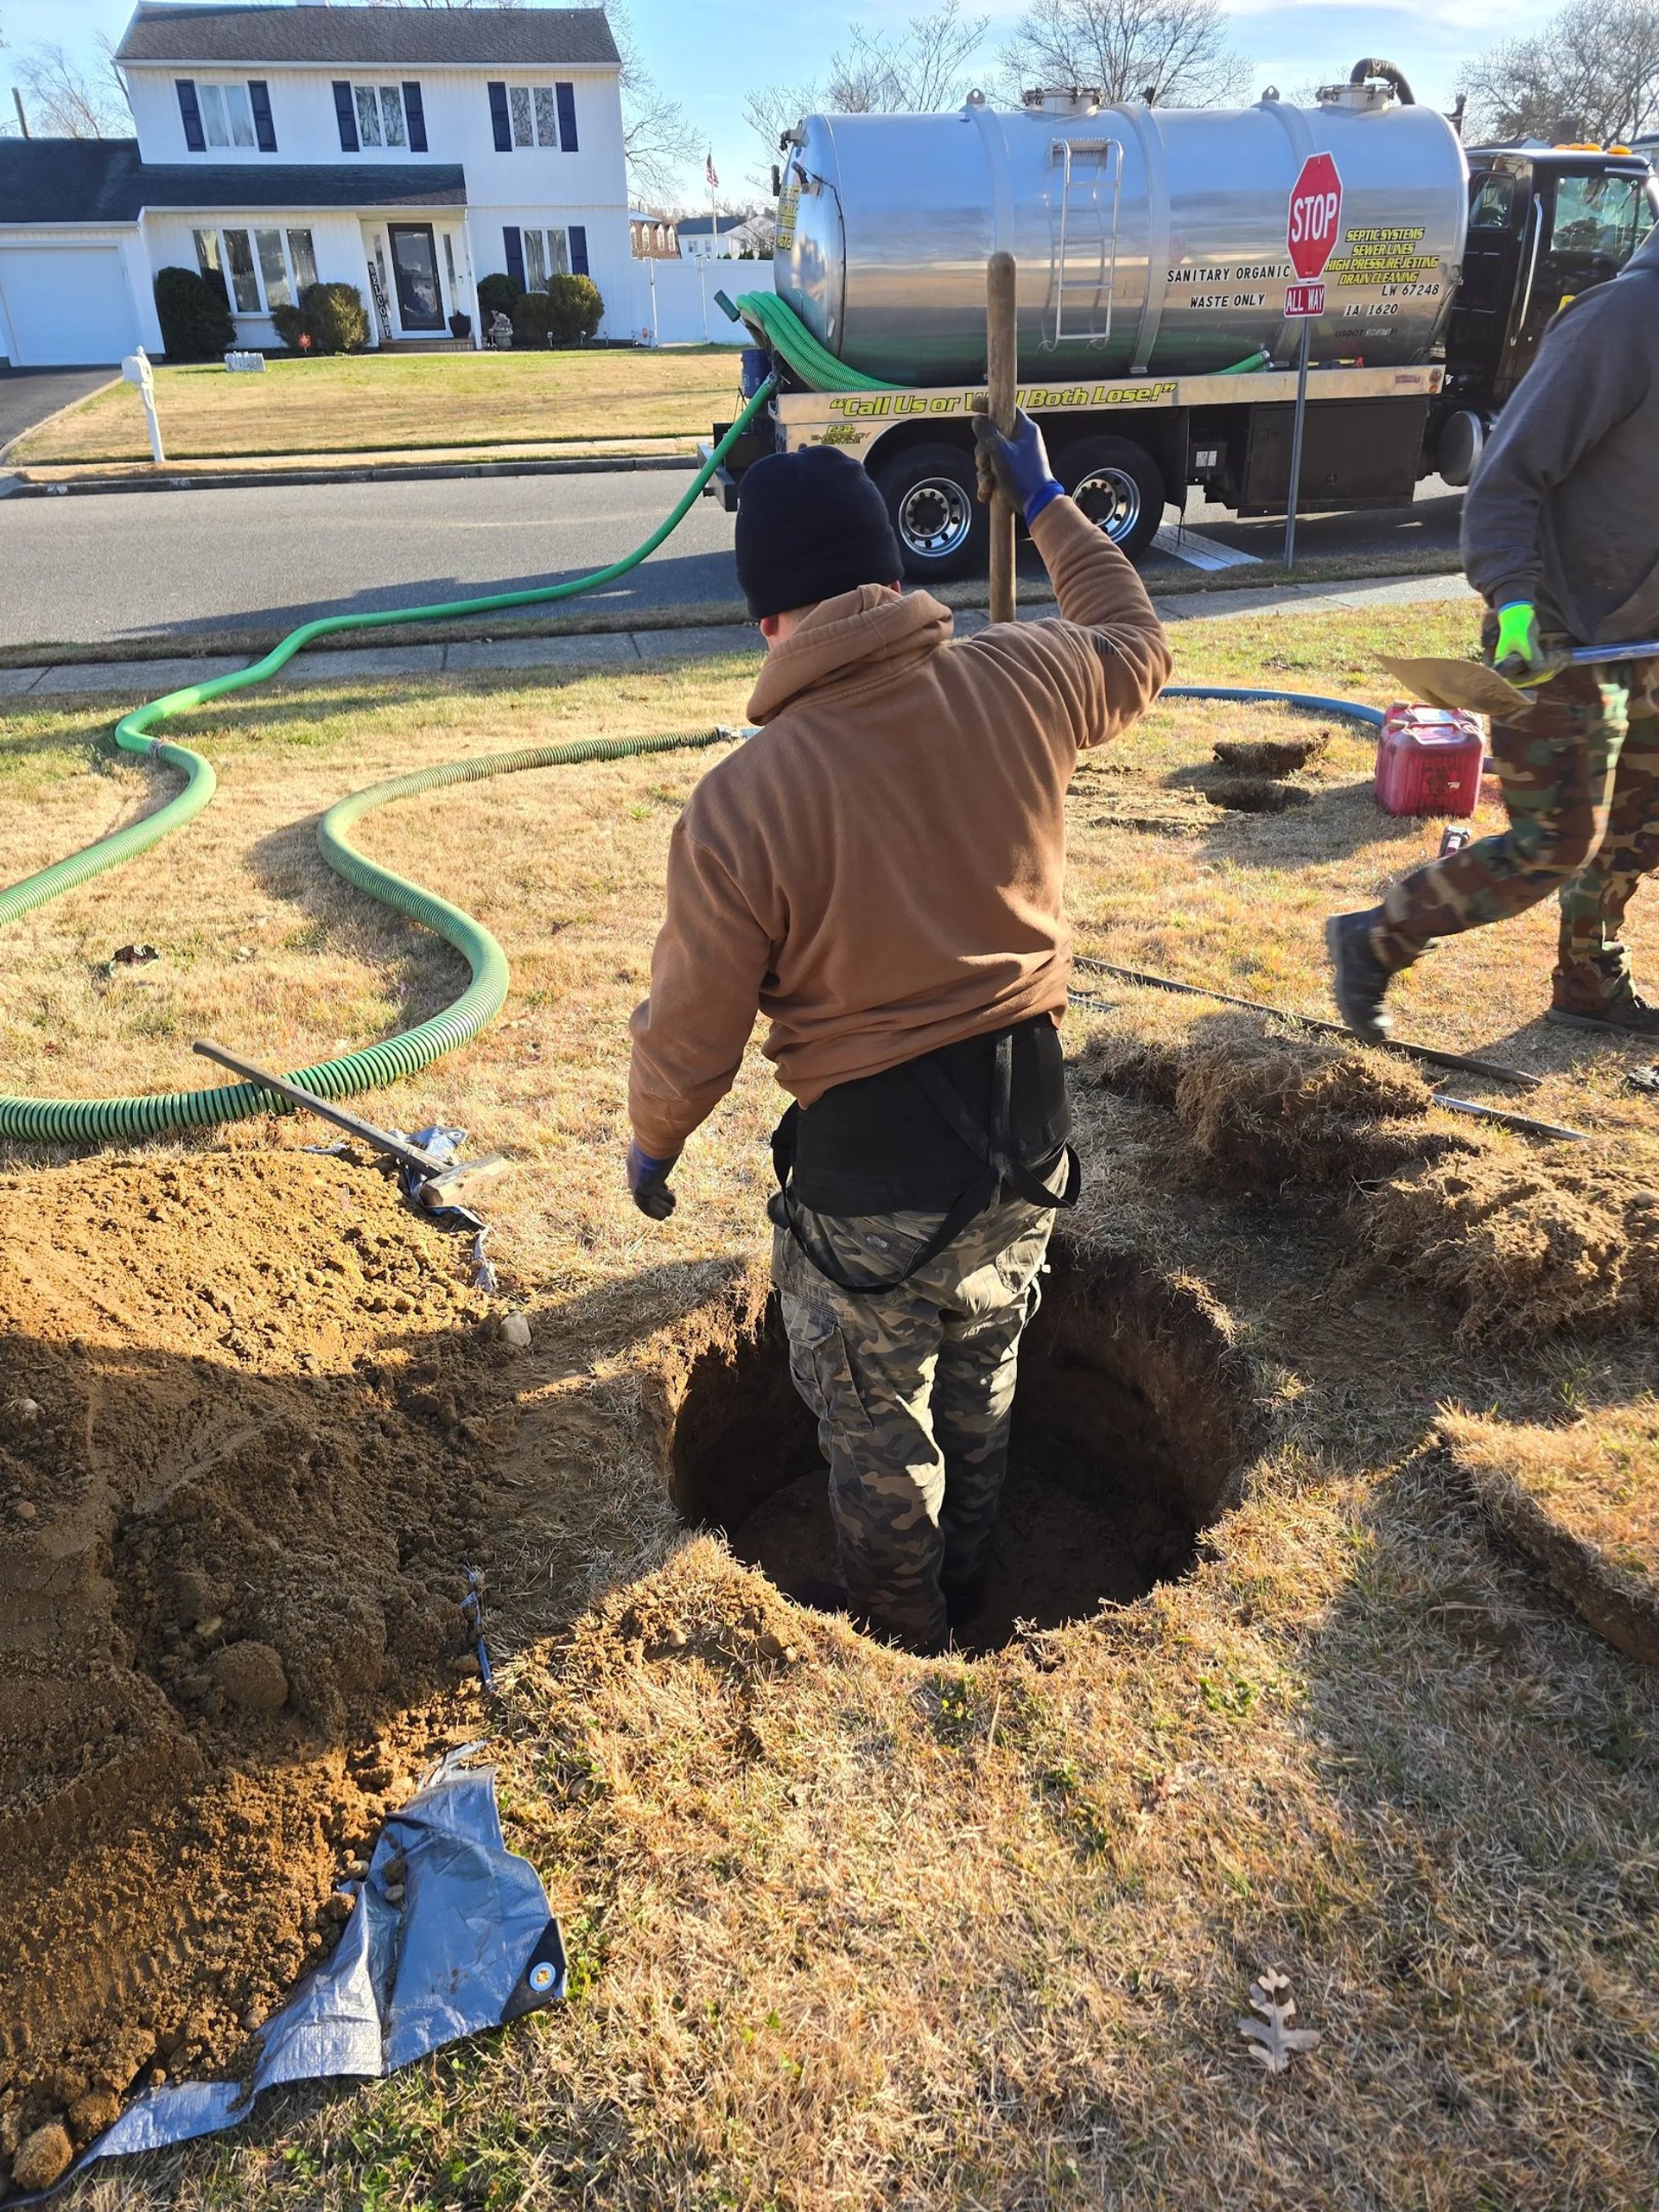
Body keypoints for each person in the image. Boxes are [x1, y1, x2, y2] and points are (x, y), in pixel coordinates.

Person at [625, 422, 1170, 1653]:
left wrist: (651, 1148)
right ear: (892, 575)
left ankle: (901, 1638)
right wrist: (1042, 496)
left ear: (770, 618)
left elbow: (694, 1036)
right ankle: (968, 1582)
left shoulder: (744, 801)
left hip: (870, 1191)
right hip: (1029, 1147)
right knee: (982, 1379)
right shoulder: (1027, 674)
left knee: (881, 1435)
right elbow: (1137, 638)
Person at [1327, 218, 1659, 1042]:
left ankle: (1588, 983)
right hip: (1552, 640)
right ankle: (1375, 937)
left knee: (1639, 826)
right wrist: (1515, 605)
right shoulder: (1623, 322)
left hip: (1643, 644)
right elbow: (1506, 479)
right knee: (1556, 843)